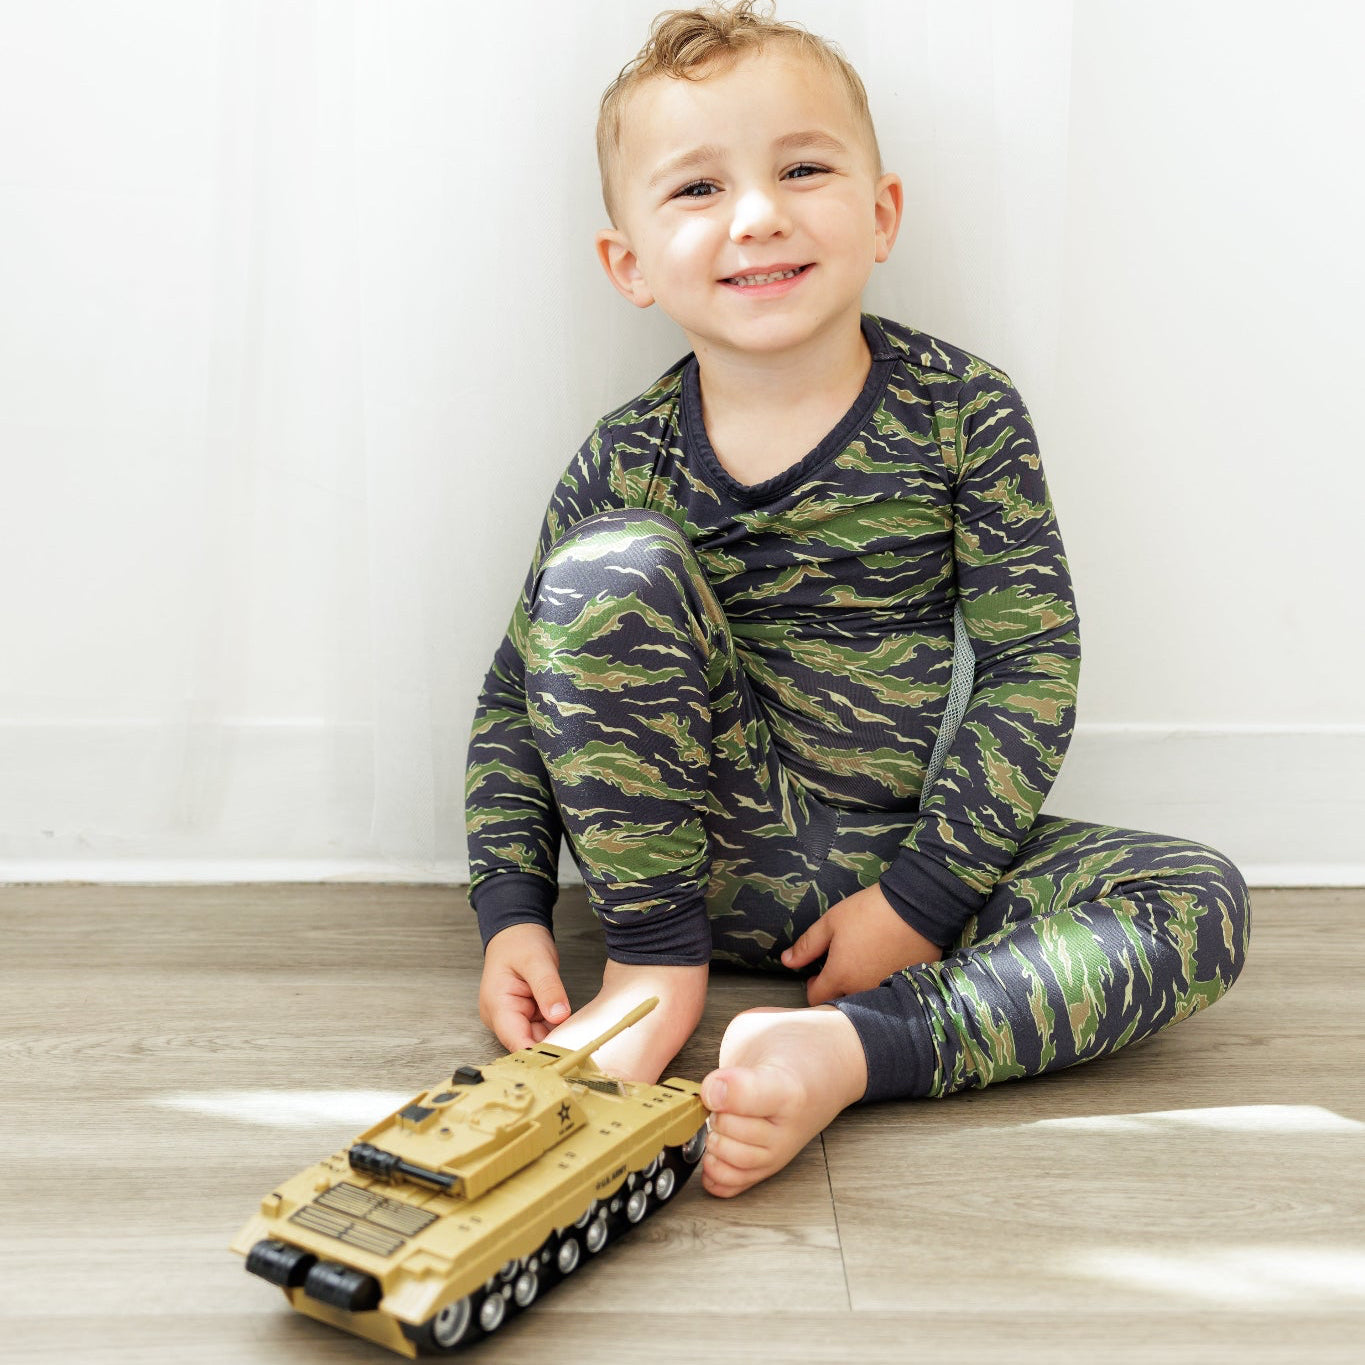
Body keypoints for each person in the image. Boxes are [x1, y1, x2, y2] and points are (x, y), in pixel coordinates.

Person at [464, 0, 1250, 1200]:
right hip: (673, 865)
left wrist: (923, 898)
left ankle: (854, 1052)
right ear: (628, 264)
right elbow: (519, 704)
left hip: (894, 859)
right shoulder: (623, 460)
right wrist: (514, 910)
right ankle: (656, 983)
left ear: (881, 214)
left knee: (1195, 900)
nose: (760, 213)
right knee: (605, 569)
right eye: (696, 189)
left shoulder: (962, 415)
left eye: (802, 168)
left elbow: (1031, 669)